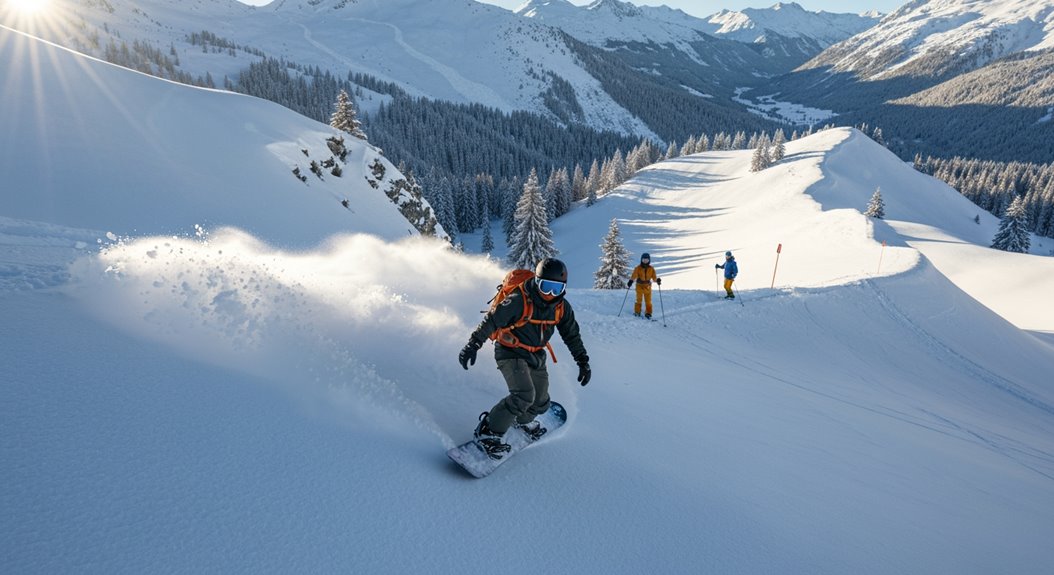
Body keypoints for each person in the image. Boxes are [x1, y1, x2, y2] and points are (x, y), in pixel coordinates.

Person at [458, 258, 591, 459]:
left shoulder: (562, 307)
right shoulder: (519, 298)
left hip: (536, 353)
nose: (549, 294)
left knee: (541, 402)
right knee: (523, 395)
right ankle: (488, 432)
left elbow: (571, 335)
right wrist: (473, 344)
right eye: (545, 287)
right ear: (537, 282)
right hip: (510, 351)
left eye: (556, 289)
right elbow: (492, 320)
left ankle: (521, 420)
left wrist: (582, 361)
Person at [626, 252, 661, 319]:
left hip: (647, 286)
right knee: (638, 300)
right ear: (641, 260)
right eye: (644, 260)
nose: (645, 261)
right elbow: (634, 275)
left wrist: (657, 281)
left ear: (649, 260)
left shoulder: (651, 269)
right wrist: (631, 281)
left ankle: (648, 313)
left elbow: (654, 278)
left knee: (648, 301)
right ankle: (637, 312)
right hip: (639, 286)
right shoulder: (638, 268)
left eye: (647, 260)